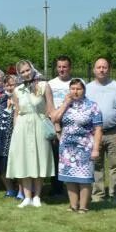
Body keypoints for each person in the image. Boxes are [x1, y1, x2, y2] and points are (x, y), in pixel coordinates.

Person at [6, 59, 55, 208]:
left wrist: (54, 127)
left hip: (39, 124)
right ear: (19, 74)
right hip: (22, 126)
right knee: (25, 160)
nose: (26, 73)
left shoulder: (44, 85)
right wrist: (15, 131)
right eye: (22, 72)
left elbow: (50, 108)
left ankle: (37, 196)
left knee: (39, 159)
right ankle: (27, 197)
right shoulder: (17, 90)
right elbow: (16, 112)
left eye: (28, 70)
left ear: (32, 69)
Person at [50, 79, 103, 213]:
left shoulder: (92, 106)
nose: (75, 91)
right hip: (67, 147)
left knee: (84, 178)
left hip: (84, 147)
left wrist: (96, 149)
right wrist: (65, 104)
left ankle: (83, 206)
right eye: (72, 88)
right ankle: (73, 205)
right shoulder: (66, 104)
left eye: (78, 88)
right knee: (69, 178)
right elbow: (54, 119)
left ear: (84, 90)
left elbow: (98, 129)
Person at [85, 57, 116, 205]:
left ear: (109, 69)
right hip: (94, 134)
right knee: (96, 166)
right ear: (94, 70)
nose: (101, 70)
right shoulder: (88, 88)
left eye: (104, 67)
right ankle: (98, 195)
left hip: (114, 133)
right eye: (98, 67)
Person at [47, 55, 75, 197]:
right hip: (54, 122)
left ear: (70, 68)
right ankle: (57, 188)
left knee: (72, 156)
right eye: (59, 67)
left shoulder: (76, 83)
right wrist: (56, 124)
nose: (62, 69)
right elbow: (48, 106)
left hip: (73, 124)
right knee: (56, 156)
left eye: (65, 67)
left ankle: (73, 187)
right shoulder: (50, 84)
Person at [0, 74, 19, 199]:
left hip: (15, 137)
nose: (9, 87)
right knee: (2, 166)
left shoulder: (20, 98)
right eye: (7, 85)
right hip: (0, 138)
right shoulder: (1, 99)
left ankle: (20, 190)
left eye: (12, 84)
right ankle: (9, 189)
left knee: (16, 165)